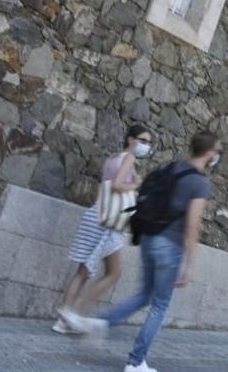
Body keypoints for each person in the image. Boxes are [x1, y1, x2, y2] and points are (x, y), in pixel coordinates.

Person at [60, 130, 220, 372]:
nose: (218, 155)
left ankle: (100, 322)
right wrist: (189, 264)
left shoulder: (173, 168)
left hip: (148, 238)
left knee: (144, 295)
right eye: (217, 151)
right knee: (160, 305)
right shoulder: (200, 182)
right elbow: (192, 224)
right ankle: (135, 362)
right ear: (209, 153)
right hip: (170, 247)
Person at [53, 124, 152, 334]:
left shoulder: (112, 158)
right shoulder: (129, 158)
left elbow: (105, 186)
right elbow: (116, 186)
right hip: (108, 223)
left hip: (95, 215)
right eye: (142, 140)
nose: (146, 145)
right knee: (113, 273)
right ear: (130, 140)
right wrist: (137, 184)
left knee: (82, 272)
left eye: (148, 142)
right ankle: (75, 315)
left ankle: (63, 319)